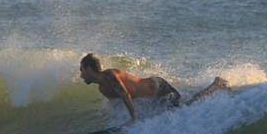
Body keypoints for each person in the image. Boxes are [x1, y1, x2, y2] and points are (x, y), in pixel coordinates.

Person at [79, 53, 230, 125]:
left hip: (158, 87)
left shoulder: (110, 75)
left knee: (185, 106)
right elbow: (124, 102)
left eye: (82, 71)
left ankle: (216, 85)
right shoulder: (102, 89)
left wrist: (133, 118)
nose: (81, 75)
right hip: (152, 96)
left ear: (89, 69)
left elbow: (125, 95)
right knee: (178, 107)